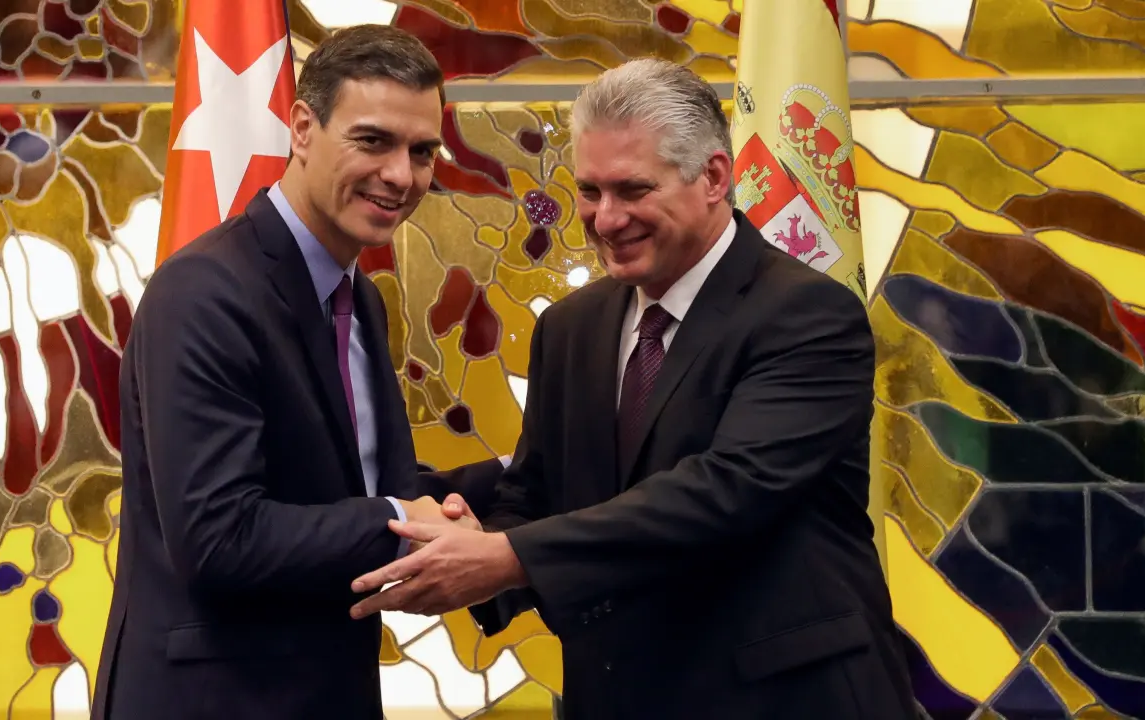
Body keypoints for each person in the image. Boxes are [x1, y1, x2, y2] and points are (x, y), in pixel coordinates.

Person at [349, 58, 918, 719]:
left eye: (632, 190)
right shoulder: (571, 327)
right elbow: (538, 490)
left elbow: (726, 491)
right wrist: (470, 539)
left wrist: (506, 558)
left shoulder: (806, 314)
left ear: (714, 177)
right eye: (590, 191)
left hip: (786, 699)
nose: (606, 219)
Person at [92, 25, 503, 720]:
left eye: (422, 151)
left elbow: (356, 491)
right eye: (373, 141)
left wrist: (517, 483)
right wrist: (402, 518)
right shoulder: (204, 292)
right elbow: (221, 538)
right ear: (303, 128)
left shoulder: (358, 296)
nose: (401, 175)